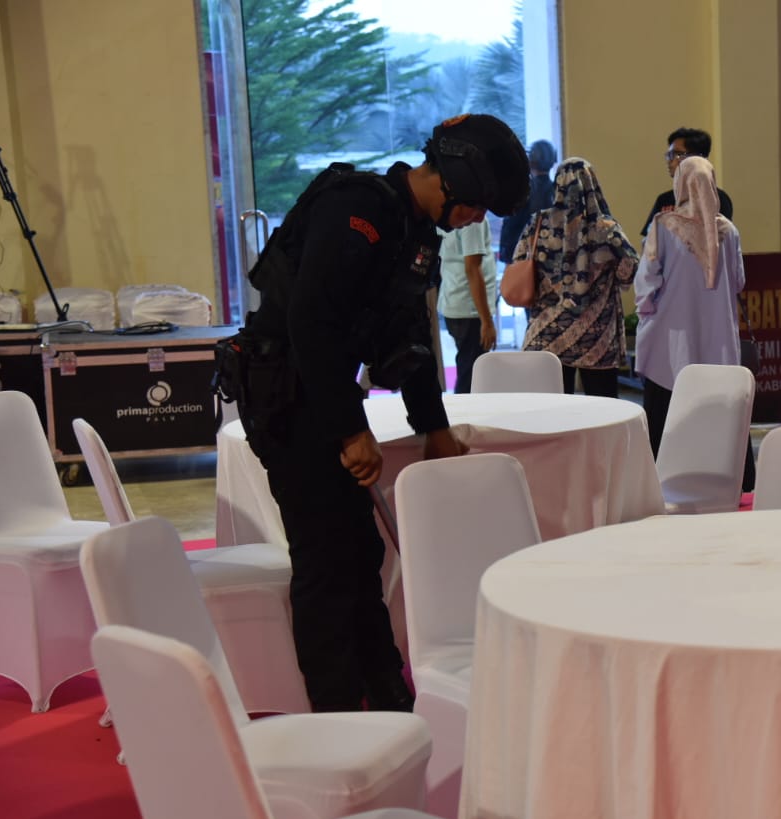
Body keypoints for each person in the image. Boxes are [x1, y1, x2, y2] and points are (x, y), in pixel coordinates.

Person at [228, 114, 529, 713]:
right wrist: (350, 430)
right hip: (285, 398)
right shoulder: (356, 211)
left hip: (321, 393)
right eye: (477, 206)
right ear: (453, 180)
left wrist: (433, 426)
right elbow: (310, 323)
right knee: (324, 561)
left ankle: (386, 689)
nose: (477, 220)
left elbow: (408, 337)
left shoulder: (412, 229)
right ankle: (337, 716)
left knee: (361, 553)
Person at [636, 155, 745, 456]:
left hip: (671, 340)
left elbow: (645, 284)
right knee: (720, 414)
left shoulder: (664, 226)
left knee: (665, 414)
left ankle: (666, 473)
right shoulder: (729, 231)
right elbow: (738, 282)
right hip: (720, 339)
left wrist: (647, 310)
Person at [514, 157, 638, 397]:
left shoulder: (538, 223)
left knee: (550, 411)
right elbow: (629, 272)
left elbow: (519, 261)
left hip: (547, 333)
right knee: (602, 410)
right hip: (596, 338)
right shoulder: (606, 229)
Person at [437, 219, 497, 393]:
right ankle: (463, 410)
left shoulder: (450, 215)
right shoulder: (473, 221)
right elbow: (472, 268)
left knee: (468, 371)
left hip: (454, 301)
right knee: (471, 377)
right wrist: (487, 322)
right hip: (470, 308)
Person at [640, 127, 734, 237]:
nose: (669, 160)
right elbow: (649, 240)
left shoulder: (718, 198)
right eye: (668, 155)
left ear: (697, 158)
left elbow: (722, 237)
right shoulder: (664, 199)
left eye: (675, 154)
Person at [499, 139, 557, 264]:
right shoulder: (557, 191)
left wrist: (506, 257)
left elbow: (510, 228)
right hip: (550, 258)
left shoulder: (522, 191)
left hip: (522, 258)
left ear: (530, 161)